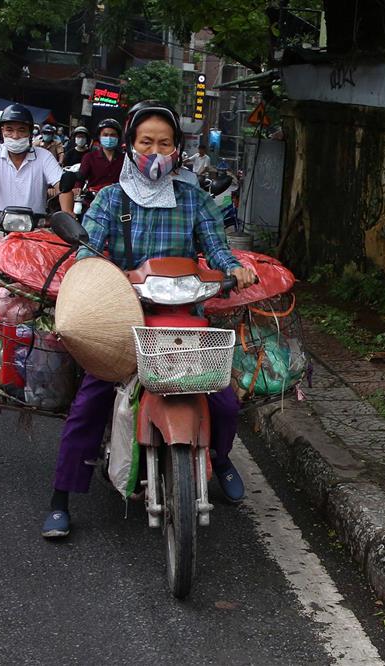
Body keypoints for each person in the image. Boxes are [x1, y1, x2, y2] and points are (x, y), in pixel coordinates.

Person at [41, 100, 257, 539]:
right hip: (123, 321)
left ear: (177, 150)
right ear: (129, 145)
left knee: (224, 401)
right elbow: (89, 252)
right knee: (90, 403)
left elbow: (216, 249)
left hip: (183, 319)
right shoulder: (109, 199)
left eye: (165, 143)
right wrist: (92, 271)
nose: (155, 152)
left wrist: (231, 268)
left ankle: (218, 457)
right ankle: (62, 496)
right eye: (146, 142)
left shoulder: (194, 199)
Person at [0, 103, 74, 253]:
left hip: (36, 228)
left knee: (52, 262)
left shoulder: (44, 156)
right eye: (9, 130)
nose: (15, 136)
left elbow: (62, 186)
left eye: (21, 130)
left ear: (30, 133)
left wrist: (67, 212)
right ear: (2, 131)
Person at [77, 118, 124, 190]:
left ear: (118, 137)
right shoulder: (89, 157)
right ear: (99, 137)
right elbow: (80, 179)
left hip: (117, 198)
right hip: (94, 198)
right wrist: (77, 188)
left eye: (113, 135)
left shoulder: (124, 159)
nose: (109, 138)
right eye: (105, 135)